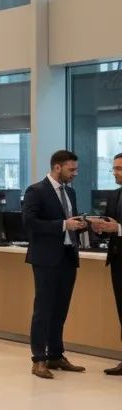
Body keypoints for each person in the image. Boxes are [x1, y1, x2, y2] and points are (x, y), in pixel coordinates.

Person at [23, 149, 89, 379]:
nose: (75, 173)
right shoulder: (36, 191)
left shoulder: (70, 193)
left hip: (68, 257)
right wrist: (63, 225)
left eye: (76, 169)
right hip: (46, 259)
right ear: (57, 167)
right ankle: (39, 359)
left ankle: (56, 354)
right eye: (72, 169)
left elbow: (71, 221)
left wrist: (83, 224)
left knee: (60, 310)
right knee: (43, 310)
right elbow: (30, 222)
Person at [90, 152, 122, 375]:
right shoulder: (114, 195)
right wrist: (100, 228)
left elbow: (118, 227)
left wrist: (118, 228)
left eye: (119, 168)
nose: (115, 173)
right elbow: (111, 223)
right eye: (114, 168)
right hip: (118, 260)